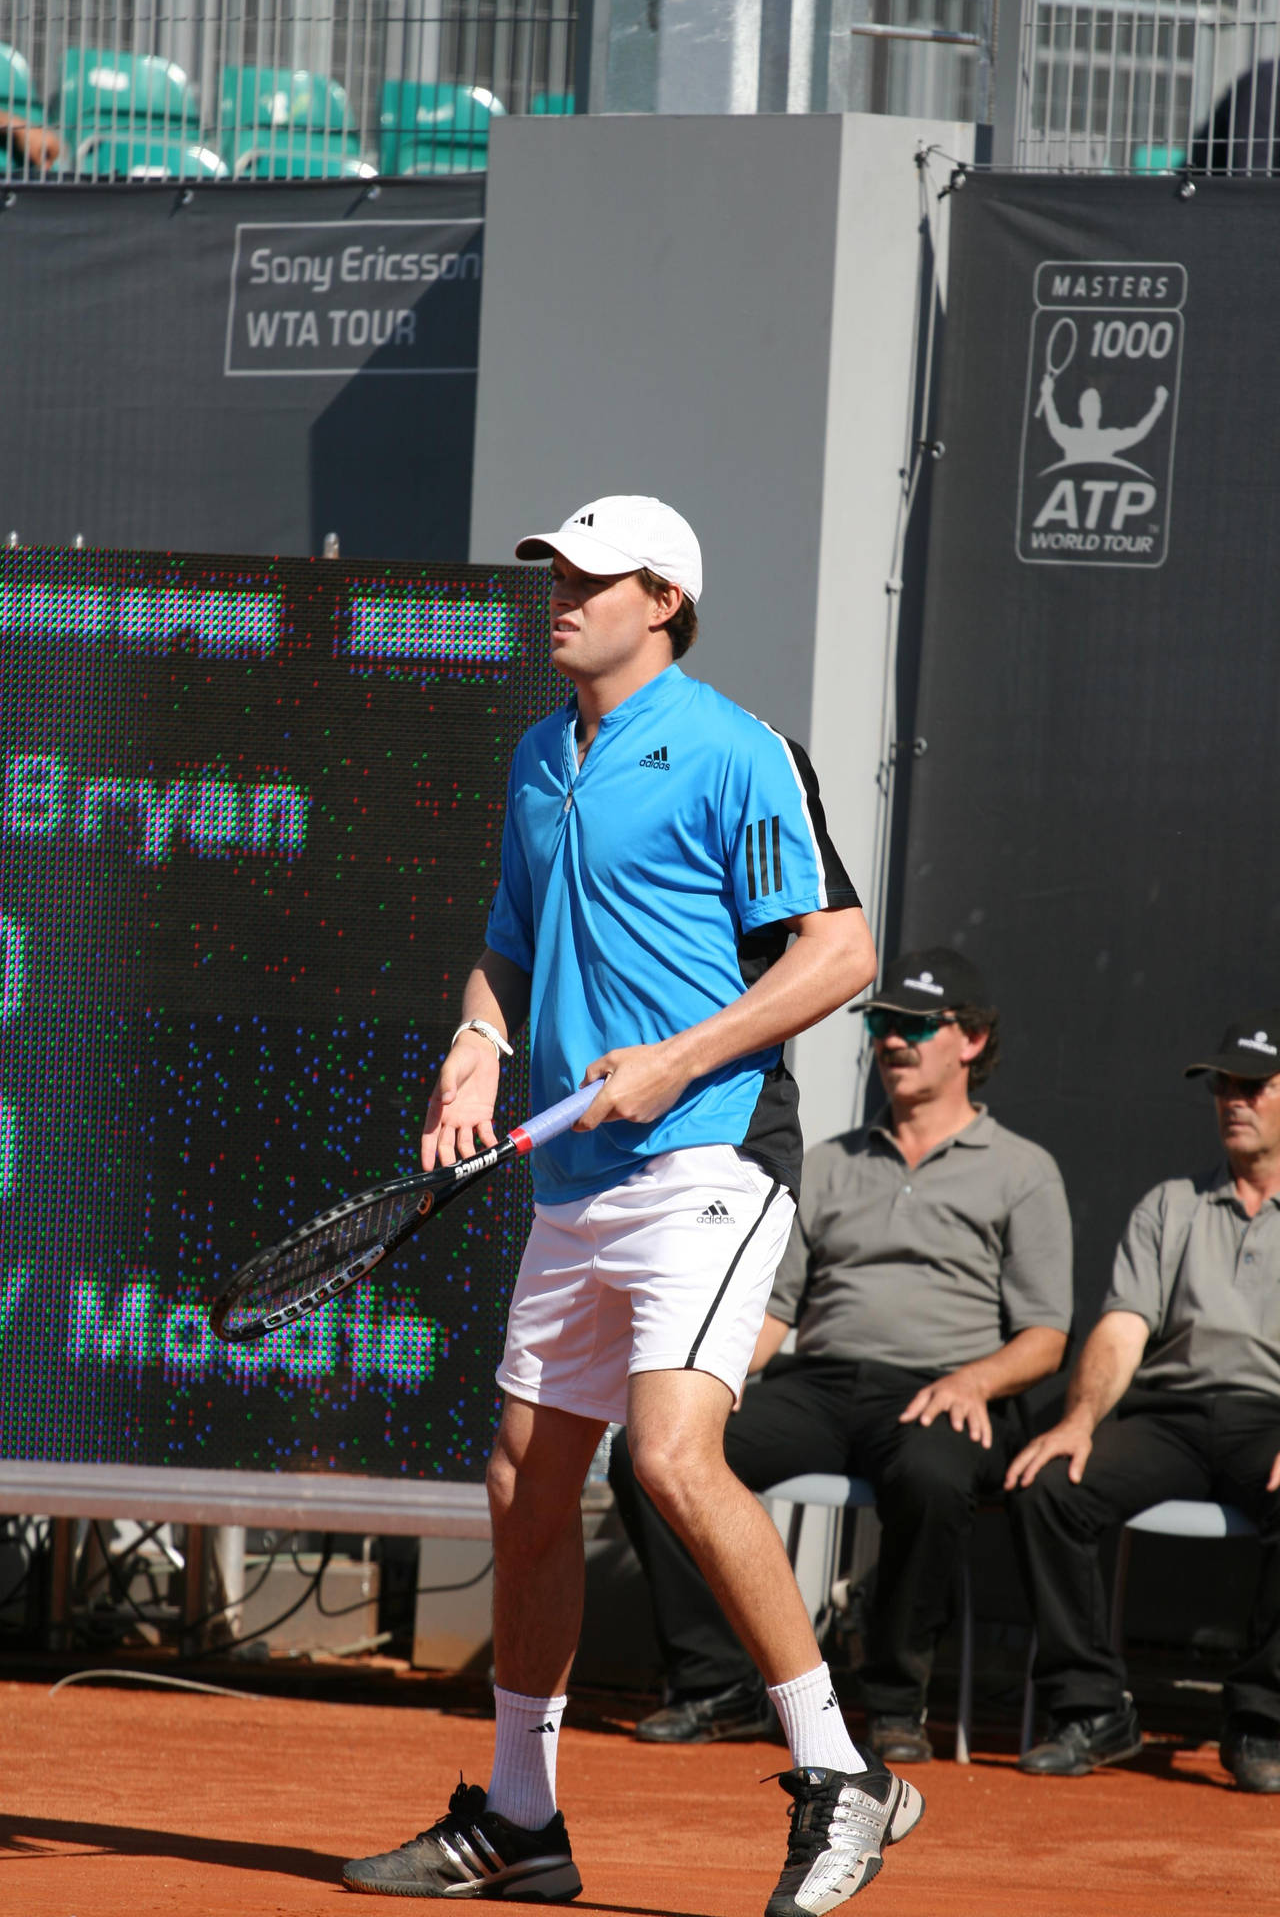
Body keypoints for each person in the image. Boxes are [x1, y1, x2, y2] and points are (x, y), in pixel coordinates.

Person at [342, 495, 925, 1910]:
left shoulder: (743, 752)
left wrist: (678, 1058)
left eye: (592, 578)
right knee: (526, 1483)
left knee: (667, 1457)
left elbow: (841, 953)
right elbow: (508, 951)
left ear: (663, 598)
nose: (562, 594)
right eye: (555, 572)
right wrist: (477, 1044)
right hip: (576, 1178)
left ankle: (842, 1773)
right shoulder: (544, 756)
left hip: (712, 1159)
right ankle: (522, 1818)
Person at [610, 946, 1073, 1764]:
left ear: (970, 1041)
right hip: (820, 1384)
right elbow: (776, 1309)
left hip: (942, 1391)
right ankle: (720, 1683)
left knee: (931, 1477)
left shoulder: (1024, 1170)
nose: (892, 1041)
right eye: (884, 1025)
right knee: (654, 1455)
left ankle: (894, 1702)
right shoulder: (827, 1161)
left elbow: (1044, 1337)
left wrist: (974, 1379)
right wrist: (719, 1376)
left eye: (914, 1026)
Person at [1007, 1010, 1280, 1792]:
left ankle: (1262, 1719)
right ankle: (1092, 1708)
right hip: (1171, 1418)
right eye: (1223, 1085)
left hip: (1270, 1421)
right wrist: (1080, 1421)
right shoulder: (1172, 1206)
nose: (1233, 1099)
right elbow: (1124, 1328)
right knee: (1048, 1485)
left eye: (1253, 1086)